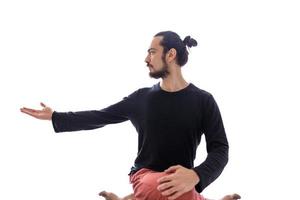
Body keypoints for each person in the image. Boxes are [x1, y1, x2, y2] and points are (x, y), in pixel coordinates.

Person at [20, 31, 241, 200]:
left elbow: (220, 149)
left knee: (174, 187)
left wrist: (197, 175)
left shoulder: (203, 101)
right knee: (166, 186)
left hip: (182, 182)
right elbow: (101, 116)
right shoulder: (142, 99)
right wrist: (56, 116)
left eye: (152, 52)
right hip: (145, 176)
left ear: (171, 55)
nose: (146, 58)